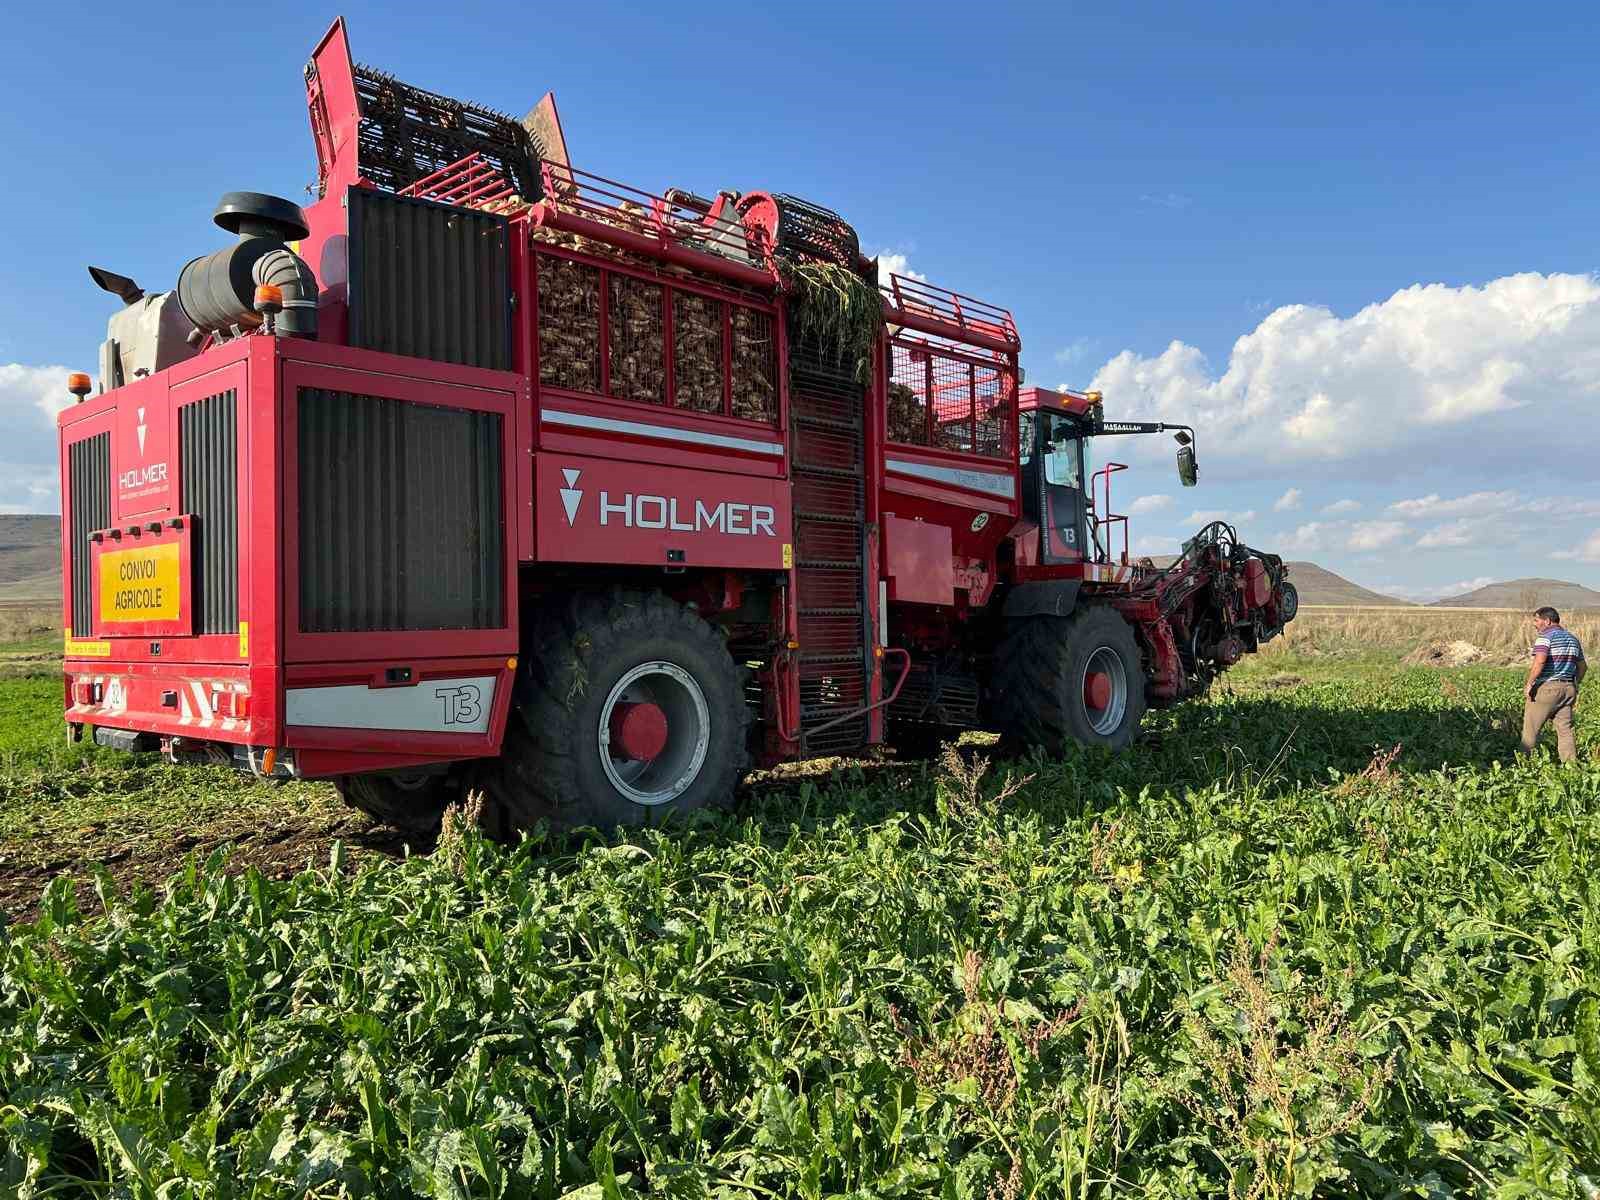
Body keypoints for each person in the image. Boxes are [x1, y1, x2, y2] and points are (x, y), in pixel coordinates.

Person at [1521, 606, 1586, 763]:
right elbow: (1583, 667)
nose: (1534, 624)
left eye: (1536, 620)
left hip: (1547, 689)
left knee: (1530, 731)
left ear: (1547, 621)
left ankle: (1523, 765)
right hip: (1568, 689)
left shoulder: (1545, 637)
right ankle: (1571, 768)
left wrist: (1529, 683)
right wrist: (1575, 683)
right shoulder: (1572, 638)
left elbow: (1540, 661)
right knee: (1565, 731)